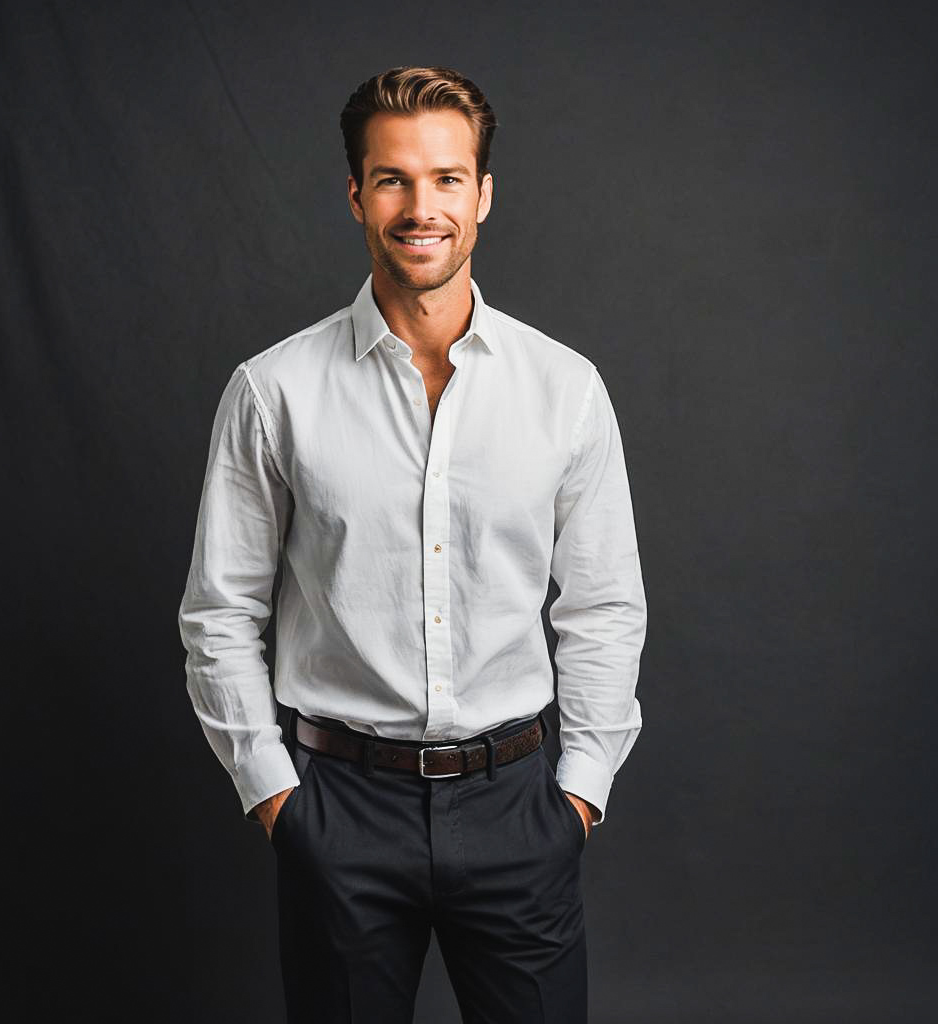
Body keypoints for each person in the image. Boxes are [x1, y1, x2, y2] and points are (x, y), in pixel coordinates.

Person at [177, 65, 647, 1023]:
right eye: (392, 178)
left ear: (482, 194)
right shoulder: (274, 392)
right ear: (356, 196)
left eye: (444, 178)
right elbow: (219, 614)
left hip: (520, 805)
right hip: (338, 808)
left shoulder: (566, 388)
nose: (419, 206)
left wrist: (579, 798)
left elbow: (602, 606)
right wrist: (276, 797)